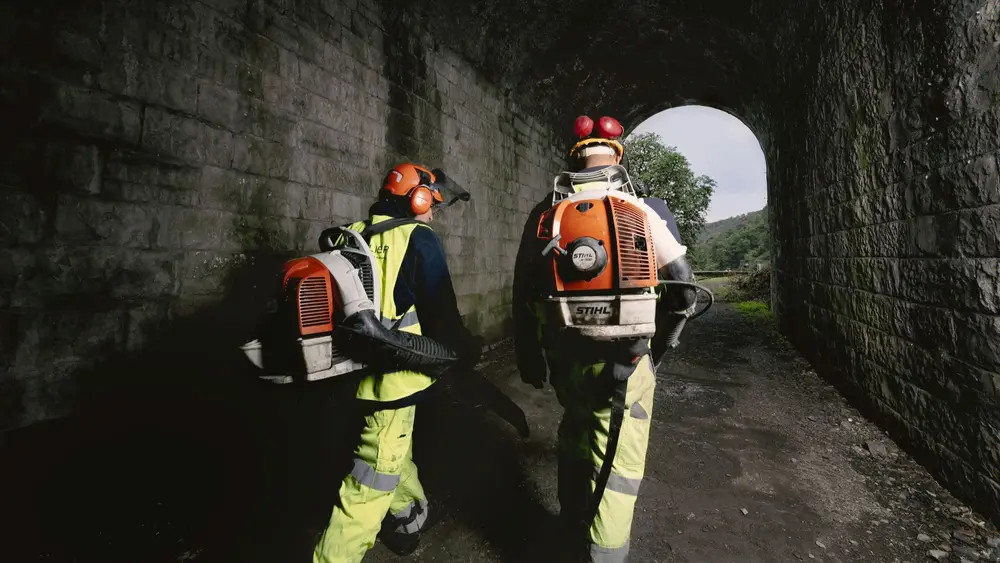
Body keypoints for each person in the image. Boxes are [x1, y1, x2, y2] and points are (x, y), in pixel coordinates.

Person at [512, 115, 697, 562]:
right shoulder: (643, 209)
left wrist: (529, 357)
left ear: (573, 159)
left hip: (564, 353)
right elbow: (684, 288)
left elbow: (522, 291)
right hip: (627, 358)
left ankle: (572, 520)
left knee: (575, 430)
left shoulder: (545, 213)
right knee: (618, 465)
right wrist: (663, 343)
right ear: (617, 158)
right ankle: (604, 554)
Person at [313, 162, 481, 563]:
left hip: (350, 374)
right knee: (373, 477)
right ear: (418, 198)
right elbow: (443, 316)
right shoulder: (418, 237)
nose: (434, 212)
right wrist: (464, 350)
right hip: (396, 378)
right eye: (432, 203)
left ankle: (408, 517)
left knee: (390, 450)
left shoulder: (350, 233)